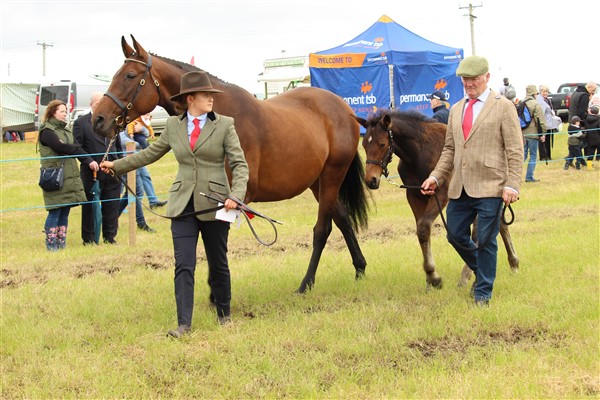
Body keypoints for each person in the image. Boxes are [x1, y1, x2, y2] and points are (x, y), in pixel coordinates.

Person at [100, 71, 249, 336]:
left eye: (211, 94)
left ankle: (224, 315)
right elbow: (149, 154)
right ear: (190, 98)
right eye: (205, 95)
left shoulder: (225, 124)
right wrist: (117, 166)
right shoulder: (173, 126)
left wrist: (235, 196)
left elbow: (239, 164)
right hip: (182, 204)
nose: (211, 99)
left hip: (216, 203)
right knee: (184, 264)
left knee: (218, 262)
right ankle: (184, 324)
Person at [420, 56, 523, 307]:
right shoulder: (456, 109)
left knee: (486, 239)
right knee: (454, 235)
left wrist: (512, 184)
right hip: (460, 187)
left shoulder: (503, 107)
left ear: (487, 77)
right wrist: (435, 176)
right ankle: (484, 270)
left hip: (492, 186)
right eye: (465, 79)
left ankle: (483, 293)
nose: (469, 84)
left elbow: (515, 149)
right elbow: (450, 149)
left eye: (474, 79)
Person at [38, 100, 99, 250]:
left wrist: (88, 160)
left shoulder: (66, 130)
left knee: (65, 210)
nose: (65, 114)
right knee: (55, 210)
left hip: (69, 175)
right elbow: (60, 147)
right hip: (54, 177)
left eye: (66, 111)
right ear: (53, 112)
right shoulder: (47, 131)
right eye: (62, 111)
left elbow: (74, 148)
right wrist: (71, 147)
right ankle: (51, 245)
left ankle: (61, 244)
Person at [73, 92, 123, 245]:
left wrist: (119, 164)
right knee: (90, 206)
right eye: (97, 104)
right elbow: (77, 147)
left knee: (112, 205)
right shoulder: (81, 123)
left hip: (111, 171)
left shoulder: (112, 122)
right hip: (91, 172)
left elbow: (118, 146)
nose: (100, 106)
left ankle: (110, 237)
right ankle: (88, 239)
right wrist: (89, 161)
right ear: (91, 105)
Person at [117, 130, 156, 232]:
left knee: (132, 192)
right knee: (135, 192)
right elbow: (122, 139)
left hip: (134, 159)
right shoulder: (119, 125)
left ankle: (113, 218)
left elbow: (145, 132)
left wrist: (141, 131)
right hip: (125, 160)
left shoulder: (132, 124)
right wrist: (140, 143)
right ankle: (141, 222)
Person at [126, 116, 167, 209]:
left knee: (145, 176)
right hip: (125, 156)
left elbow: (147, 133)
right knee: (124, 185)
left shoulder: (138, 119)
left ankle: (153, 201)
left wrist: (142, 129)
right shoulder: (122, 121)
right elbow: (122, 139)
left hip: (137, 154)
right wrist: (138, 144)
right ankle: (120, 207)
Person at [522, 85, 547, 183]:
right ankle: (529, 177)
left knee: (522, 155)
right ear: (534, 93)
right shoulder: (536, 104)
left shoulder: (521, 103)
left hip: (522, 133)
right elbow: (540, 120)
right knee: (533, 155)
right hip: (533, 133)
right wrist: (543, 133)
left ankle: (513, 176)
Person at [537, 84, 562, 160]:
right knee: (543, 140)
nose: (545, 93)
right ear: (540, 92)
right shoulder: (539, 100)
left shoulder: (547, 99)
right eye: (544, 91)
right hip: (544, 123)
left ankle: (548, 155)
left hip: (549, 123)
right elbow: (541, 113)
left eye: (547, 91)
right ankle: (543, 156)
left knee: (548, 140)